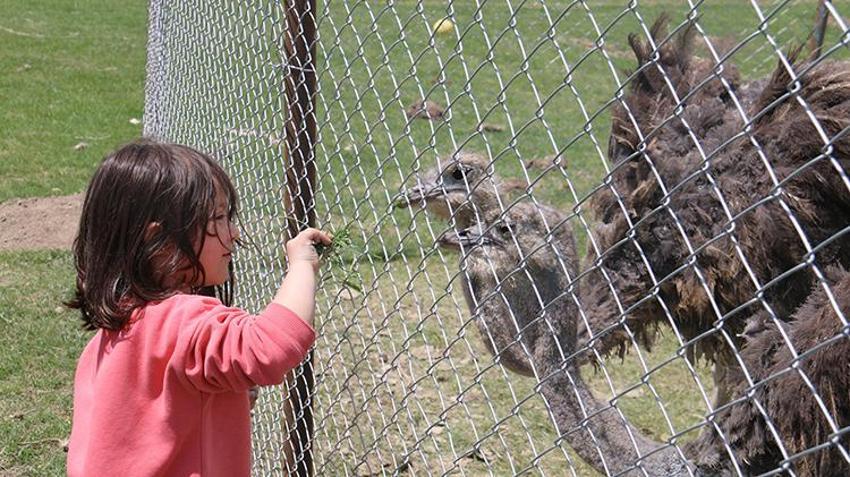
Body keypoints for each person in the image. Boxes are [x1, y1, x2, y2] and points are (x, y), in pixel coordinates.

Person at [65, 139, 330, 476]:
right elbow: (269, 348)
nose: (233, 233)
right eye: (218, 218)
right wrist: (301, 267)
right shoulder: (185, 320)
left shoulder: (110, 337)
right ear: (158, 241)